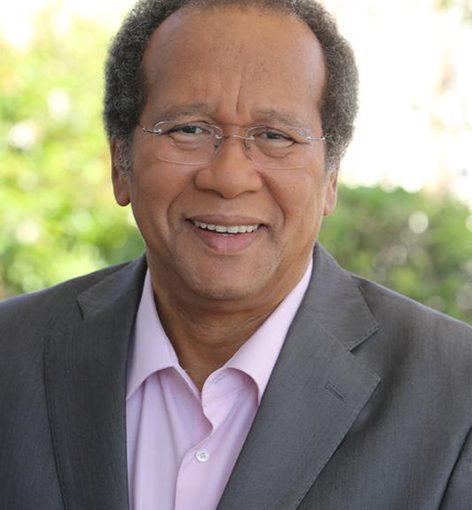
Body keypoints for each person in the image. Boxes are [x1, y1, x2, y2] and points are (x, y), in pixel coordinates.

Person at [1, 0, 471, 508]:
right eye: (189, 129)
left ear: (331, 175)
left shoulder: (456, 394)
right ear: (120, 161)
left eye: (274, 136)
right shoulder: (11, 355)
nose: (228, 178)